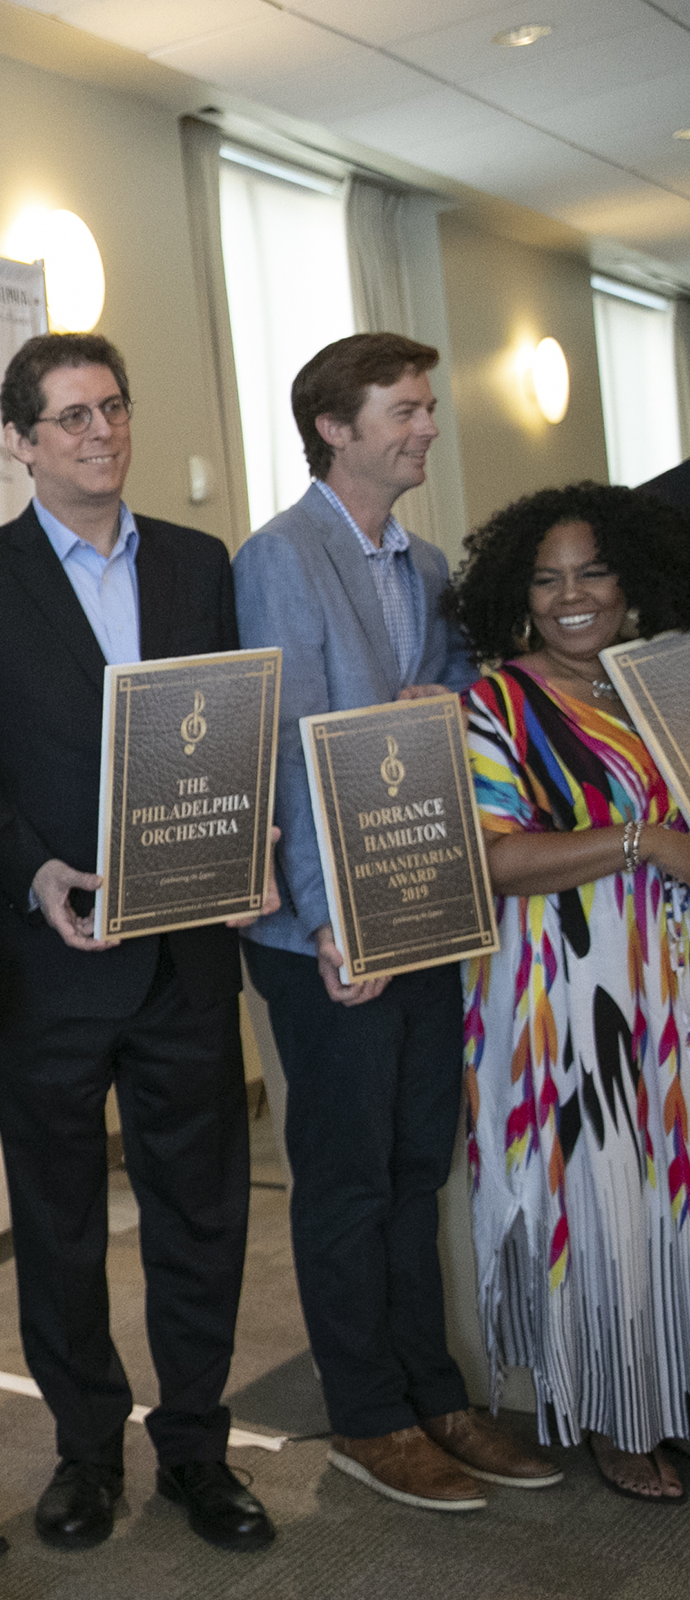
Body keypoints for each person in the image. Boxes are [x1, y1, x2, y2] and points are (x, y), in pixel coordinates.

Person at [0, 332, 276, 1555]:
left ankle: (196, 1449)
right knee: (59, 1222)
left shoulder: (197, 562)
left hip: (186, 955)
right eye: (69, 417)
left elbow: (231, 725)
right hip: (51, 956)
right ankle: (85, 1450)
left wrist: (248, 843)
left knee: (203, 1211)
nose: (100, 433)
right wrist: (33, 873)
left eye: (112, 408)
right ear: (20, 441)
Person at [234, 333, 559, 1511]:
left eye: (427, 407)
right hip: (330, 938)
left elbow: (463, 703)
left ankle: (439, 1393)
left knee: (420, 1166)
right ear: (336, 426)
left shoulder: (423, 564)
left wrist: (456, 700)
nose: (426, 426)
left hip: (425, 911)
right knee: (346, 1179)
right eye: (405, 410)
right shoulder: (278, 555)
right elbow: (283, 748)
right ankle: (367, 1414)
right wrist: (331, 922)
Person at [446, 482, 690, 1504]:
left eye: (592, 569)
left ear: (629, 579)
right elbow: (496, 860)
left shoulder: (656, 682)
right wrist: (640, 841)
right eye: (546, 578)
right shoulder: (494, 702)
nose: (571, 594)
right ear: (518, 593)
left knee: (671, 1200)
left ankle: (674, 1395)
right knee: (600, 1204)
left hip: (668, 986)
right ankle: (617, 1415)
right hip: (565, 997)